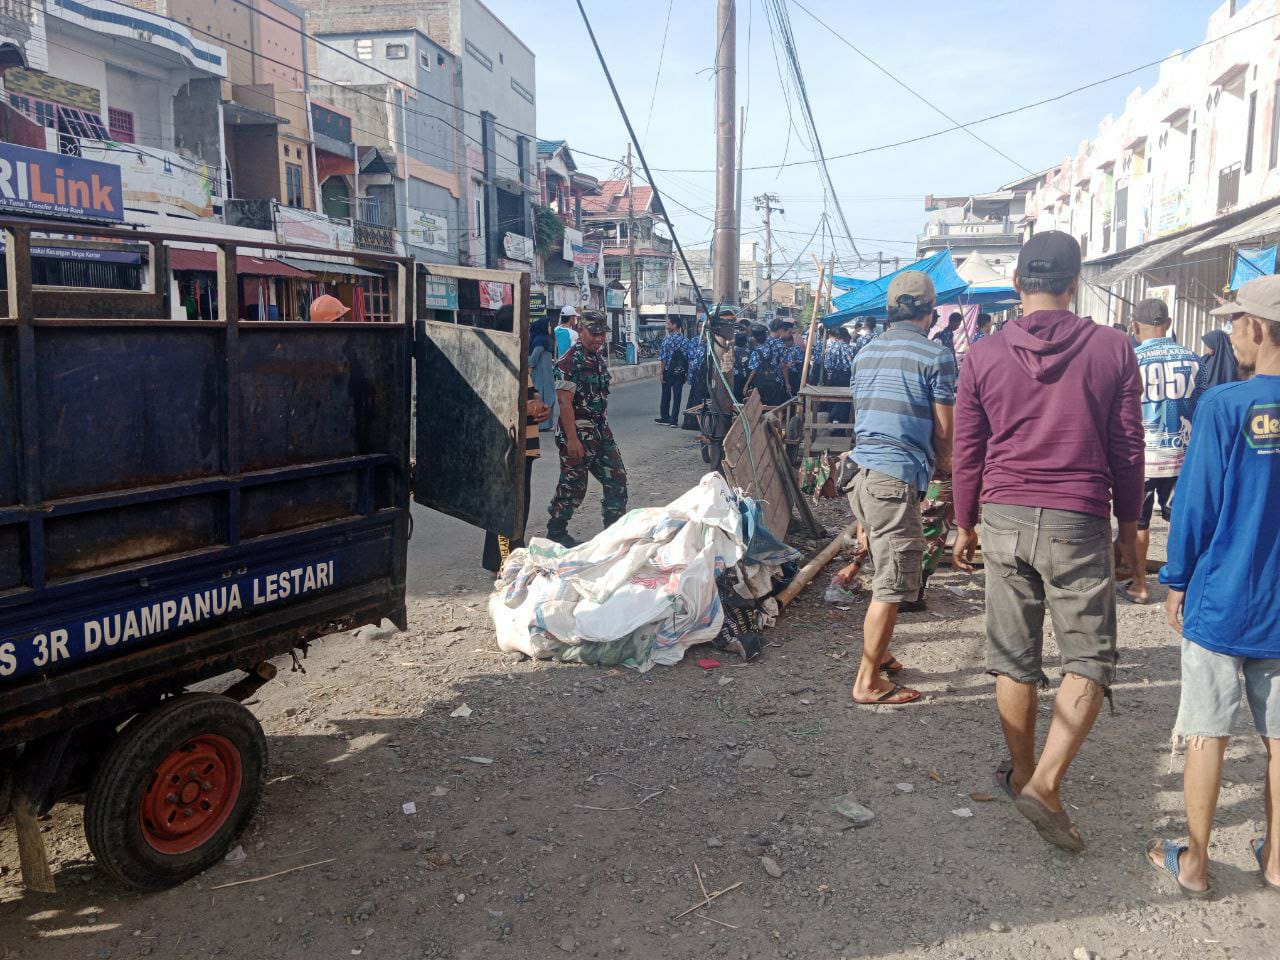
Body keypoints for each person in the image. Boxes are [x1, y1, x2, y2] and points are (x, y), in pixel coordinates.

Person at [952, 231, 1144, 853]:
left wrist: (964, 521)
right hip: (1078, 516)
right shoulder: (1114, 348)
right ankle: (1046, 784)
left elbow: (967, 449)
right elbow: (1127, 447)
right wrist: (1130, 526)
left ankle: (1022, 773)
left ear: (1016, 284)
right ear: (1075, 282)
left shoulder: (982, 354)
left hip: (1004, 515)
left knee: (1013, 656)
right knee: (1087, 656)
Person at [1147, 273, 1280, 897]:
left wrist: (1176, 579)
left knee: (1206, 730)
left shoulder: (1226, 405)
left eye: (1233, 322)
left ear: (1256, 328)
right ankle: (1276, 859)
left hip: (1223, 596)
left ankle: (1196, 863)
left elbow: (1196, 505)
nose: (1231, 333)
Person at [846, 270, 957, 706]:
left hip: (862, 475)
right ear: (931, 312)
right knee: (892, 583)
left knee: (884, 567)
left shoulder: (865, 352)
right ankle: (867, 682)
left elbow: (863, 414)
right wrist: (945, 467)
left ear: (889, 311)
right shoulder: (936, 356)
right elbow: (944, 429)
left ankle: (882, 653)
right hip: (894, 479)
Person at [1120, 298, 1200, 604]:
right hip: (1183, 458)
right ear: (1167, 324)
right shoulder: (1193, 359)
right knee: (1180, 522)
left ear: (1135, 326)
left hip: (1141, 458)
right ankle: (1182, 586)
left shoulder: (1131, 359)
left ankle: (1139, 585)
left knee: (1138, 522)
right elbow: (1203, 405)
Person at [546, 312, 628, 547]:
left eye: (602, 334)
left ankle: (614, 534)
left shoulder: (597, 359)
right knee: (573, 485)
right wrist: (572, 440)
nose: (599, 339)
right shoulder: (568, 362)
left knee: (617, 478)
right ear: (580, 330)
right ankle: (556, 532)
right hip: (578, 435)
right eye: (594, 333)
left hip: (600, 432)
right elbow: (564, 403)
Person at [483, 375, 551, 572]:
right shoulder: (501, 358)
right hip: (506, 440)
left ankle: (507, 555)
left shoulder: (520, 358)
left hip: (523, 441)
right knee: (506, 502)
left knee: (520, 501)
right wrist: (525, 407)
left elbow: (527, 387)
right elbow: (488, 393)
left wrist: (537, 400)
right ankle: (505, 560)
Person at [1191, 328, 1240, 410]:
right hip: (1203, 404)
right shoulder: (1205, 359)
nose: (1206, 347)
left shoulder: (1231, 364)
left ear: (1216, 343)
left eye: (1208, 344)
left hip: (1222, 406)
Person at [656, 317, 688, 426]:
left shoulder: (667, 339)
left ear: (675, 325)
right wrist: (686, 373)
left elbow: (663, 358)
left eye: (669, 324)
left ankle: (665, 417)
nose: (667, 326)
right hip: (680, 372)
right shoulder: (685, 340)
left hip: (668, 371)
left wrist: (661, 373)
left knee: (666, 395)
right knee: (677, 396)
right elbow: (687, 358)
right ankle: (674, 420)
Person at [529, 315, 558, 433]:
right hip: (542, 375)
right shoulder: (541, 340)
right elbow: (533, 359)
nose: (550, 327)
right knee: (545, 398)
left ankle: (545, 425)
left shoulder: (541, 339)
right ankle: (542, 425)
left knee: (547, 398)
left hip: (544, 373)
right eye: (548, 325)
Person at [823, 327, 853, 422]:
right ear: (845, 336)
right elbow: (852, 364)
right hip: (846, 376)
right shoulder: (849, 348)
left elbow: (827, 365)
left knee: (834, 397)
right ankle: (841, 422)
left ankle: (833, 418)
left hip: (834, 375)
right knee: (845, 399)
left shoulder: (831, 347)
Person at [783, 323, 805, 397]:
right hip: (786, 373)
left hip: (795, 373)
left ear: (791, 341)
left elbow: (801, 360)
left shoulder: (797, 348)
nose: (786, 344)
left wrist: (793, 362)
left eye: (787, 342)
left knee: (795, 391)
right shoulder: (784, 349)